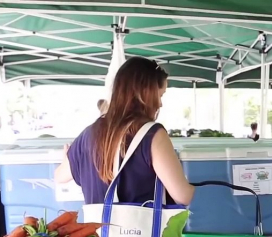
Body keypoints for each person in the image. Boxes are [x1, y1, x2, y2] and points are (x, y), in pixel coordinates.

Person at [54, 56, 195, 206]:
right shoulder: (153, 135)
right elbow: (183, 196)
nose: (160, 103)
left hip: (96, 229)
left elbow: (59, 176)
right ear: (145, 93)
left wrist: (68, 158)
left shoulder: (89, 133)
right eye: (160, 95)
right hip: (141, 228)